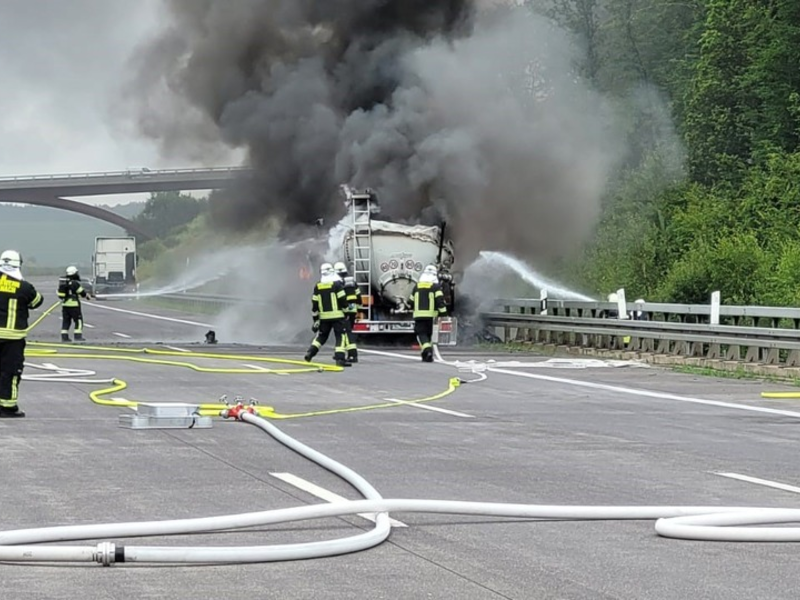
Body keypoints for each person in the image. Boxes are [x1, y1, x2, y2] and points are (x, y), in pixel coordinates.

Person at [0, 250, 43, 418]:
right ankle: (7, 407)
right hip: (13, 338)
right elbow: (37, 301)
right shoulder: (24, 287)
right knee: (10, 372)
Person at [304, 263, 351, 367]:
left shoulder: (318, 286)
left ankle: (310, 353)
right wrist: (346, 312)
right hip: (338, 317)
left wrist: (316, 319)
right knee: (340, 337)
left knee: (321, 336)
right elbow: (343, 300)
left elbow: (314, 304)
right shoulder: (337, 285)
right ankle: (340, 359)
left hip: (324, 318)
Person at [408, 264, 447, 363]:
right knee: (428, 335)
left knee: (421, 335)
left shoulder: (416, 287)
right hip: (431, 317)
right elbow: (440, 302)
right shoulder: (435, 287)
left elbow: (410, 301)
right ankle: (427, 354)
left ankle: (427, 351)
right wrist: (444, 314)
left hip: (419, 316)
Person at [334, 261, 361, 363]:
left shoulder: (339, 281)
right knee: (348, 331)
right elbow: (358, 295)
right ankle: (351, 355)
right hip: (353, 309)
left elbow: (341, 298)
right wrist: (358, 307)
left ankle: (352, 355)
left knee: (346, 332)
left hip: (345, 310)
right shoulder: (352, 280)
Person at [57, 265, 89, 342]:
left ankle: (64, 337)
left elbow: (60, 295)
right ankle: (78, 337)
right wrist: (87, 296)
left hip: (65, 306)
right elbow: (82, 293)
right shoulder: (75, 283)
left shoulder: (63, 283)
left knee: (66, 321)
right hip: (74, 305)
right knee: (78, 321)